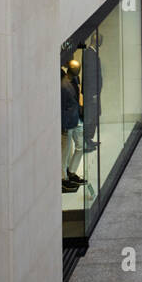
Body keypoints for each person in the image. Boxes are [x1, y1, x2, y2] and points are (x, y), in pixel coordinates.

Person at [61, 60, 84, 193]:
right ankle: (63, 179)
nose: (78, 72)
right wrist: (63, 126)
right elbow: (62, 107)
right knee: (65, 152)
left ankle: (72, 172)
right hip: (68, 123)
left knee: (80, 146)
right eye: (77, 70)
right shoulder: (63, 86)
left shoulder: (75, 80)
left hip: (76, 119)